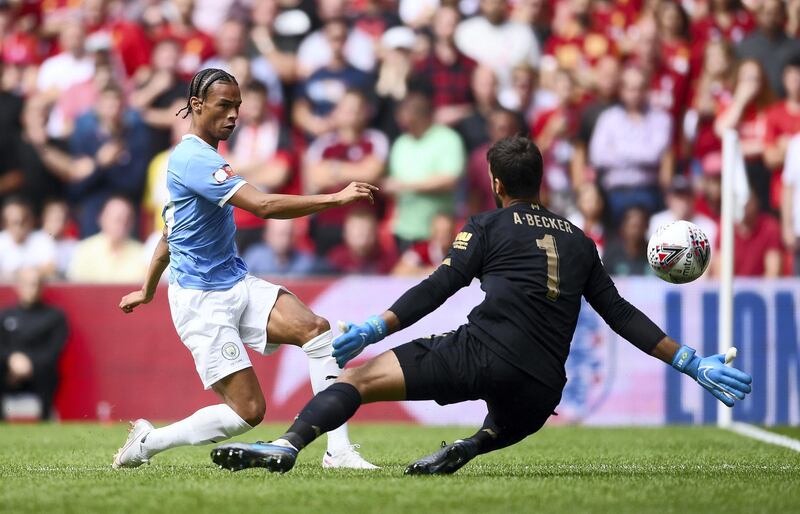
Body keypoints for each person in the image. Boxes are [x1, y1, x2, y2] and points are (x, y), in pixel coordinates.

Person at [211, 136, 752, 474]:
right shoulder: (580, 242)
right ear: (539, 183)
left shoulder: (488, 226)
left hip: (481, 353)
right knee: (516, 416)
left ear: (495, 184)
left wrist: (377, 327)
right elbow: (621, 315)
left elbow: (439, 287)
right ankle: (468, 447)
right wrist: (688, 359)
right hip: (541, 385)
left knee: (355, 382)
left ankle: (288, 444)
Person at [112, 68, 379, 470]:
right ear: (197, 105)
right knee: (249, 411)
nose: (235, 114)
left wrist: (147, 290)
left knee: (316, 330)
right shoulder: (192, 158)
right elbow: (264, 206)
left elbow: (169, 234)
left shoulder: (205, 157)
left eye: (237, 105)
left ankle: (337, 451)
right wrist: (336, 199)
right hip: (201, 302)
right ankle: (149, 442)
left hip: (234, 281)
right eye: (225, 105)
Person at [304, 89, 388, 255]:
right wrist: (357, 170)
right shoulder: (322, 145)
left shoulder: (375, 140)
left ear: (365, 113)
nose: (351, 114)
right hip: (329, 225)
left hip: (365, 226)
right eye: (347, 109)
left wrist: (333, 168)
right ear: (337, 112)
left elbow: (371, 174)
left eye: (356, 109)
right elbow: (315, 179)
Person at [589, 66, 673, 226]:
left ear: (647, 90)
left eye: (641, 88)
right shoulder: (608, 118)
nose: (636, 94)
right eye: (631, 89)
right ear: (622, 90)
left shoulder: (661, 118)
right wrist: (638, 152)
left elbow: (654, 155)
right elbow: (597, 156)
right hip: (614, 192)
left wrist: (617, 149)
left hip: (648, 190)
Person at [386, 90, 465, 249]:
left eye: (408, 119)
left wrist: (406, 186)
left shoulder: (448, 139)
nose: (403, 124)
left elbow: (449, 180)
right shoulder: (401, 143)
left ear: (421, 116)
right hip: (404, 231)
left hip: (438, 234)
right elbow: (393, 183)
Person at [0, 268, 68, 420]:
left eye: (37, 284)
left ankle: (44, 418)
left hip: (40, 375)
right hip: (8, 374)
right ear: (18, 286)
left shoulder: (54, 317)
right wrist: (11, 359)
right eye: (28, 284)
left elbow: (54, 350)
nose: (33, 289)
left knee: (48, 370)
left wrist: (29, 364)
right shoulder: (5, 315)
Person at [67, 196, 146, 284]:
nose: (123, 224)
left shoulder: (142, 252)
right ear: (102, 218)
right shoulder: (84, 250)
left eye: (127, 219)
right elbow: (75, 287)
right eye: (117, 219)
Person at [736, 0, 800, 96]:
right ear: (757, 15)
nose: (770, 17)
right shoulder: (744, 47)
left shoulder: (796, 47)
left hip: (786, 106)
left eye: (776, 12)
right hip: (755, 106)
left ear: (783, 15)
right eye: (765, 13)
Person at [324, 208, 398, 275]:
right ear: (345, 234)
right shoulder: (335, 259)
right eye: (358, 234)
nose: (363, 239)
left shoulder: (388, 260)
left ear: (376, 233)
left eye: (368, 233)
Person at [0, 197, 56, 281]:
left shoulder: (42, 240)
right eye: (15, 222)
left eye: (23, 221)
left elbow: (51, 268)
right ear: (5, 223)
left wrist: (20, 275)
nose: (19, 227)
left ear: (30, 220)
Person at [243, 219, 317, 277]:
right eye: (280, 234)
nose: (285, 239)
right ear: (267, 235)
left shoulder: (306, 263)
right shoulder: (255, 258)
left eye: (289, 234)